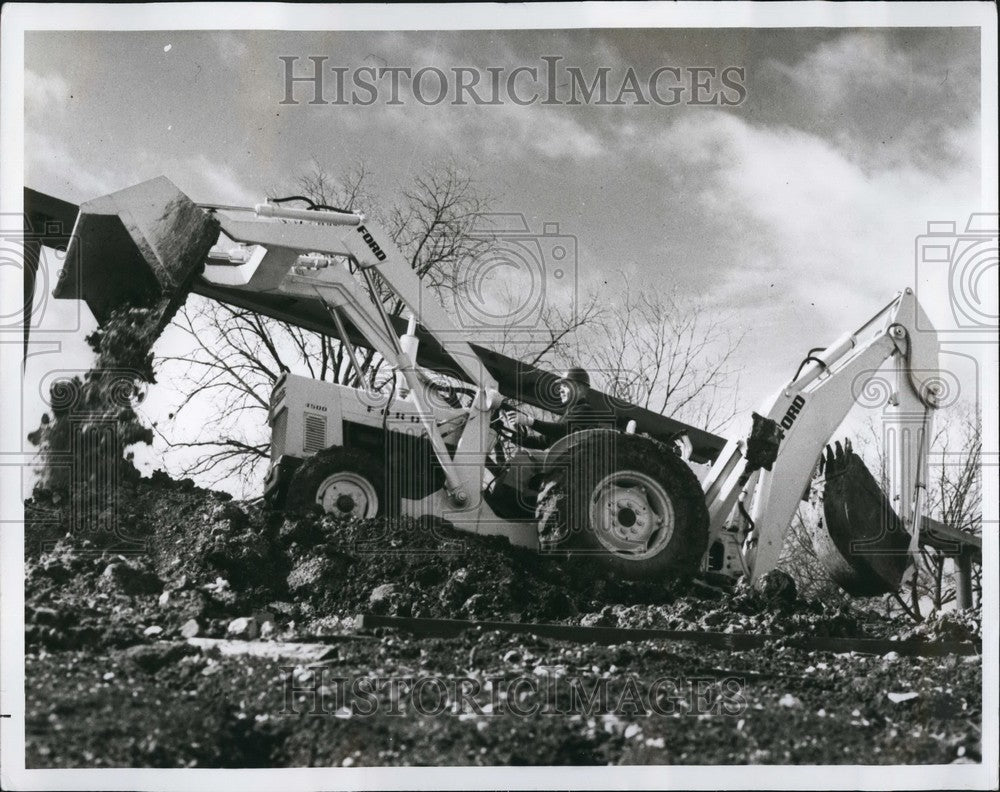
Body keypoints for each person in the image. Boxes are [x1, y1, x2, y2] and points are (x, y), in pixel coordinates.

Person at [512, 366, 617, 448]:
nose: (560, 390)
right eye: (561, 386)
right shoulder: (568, 415)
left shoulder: (585, 410)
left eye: (565, 385)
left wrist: (529, 421)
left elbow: (563, 430)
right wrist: (512, 435)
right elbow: (543, 442)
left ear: (579, 388)